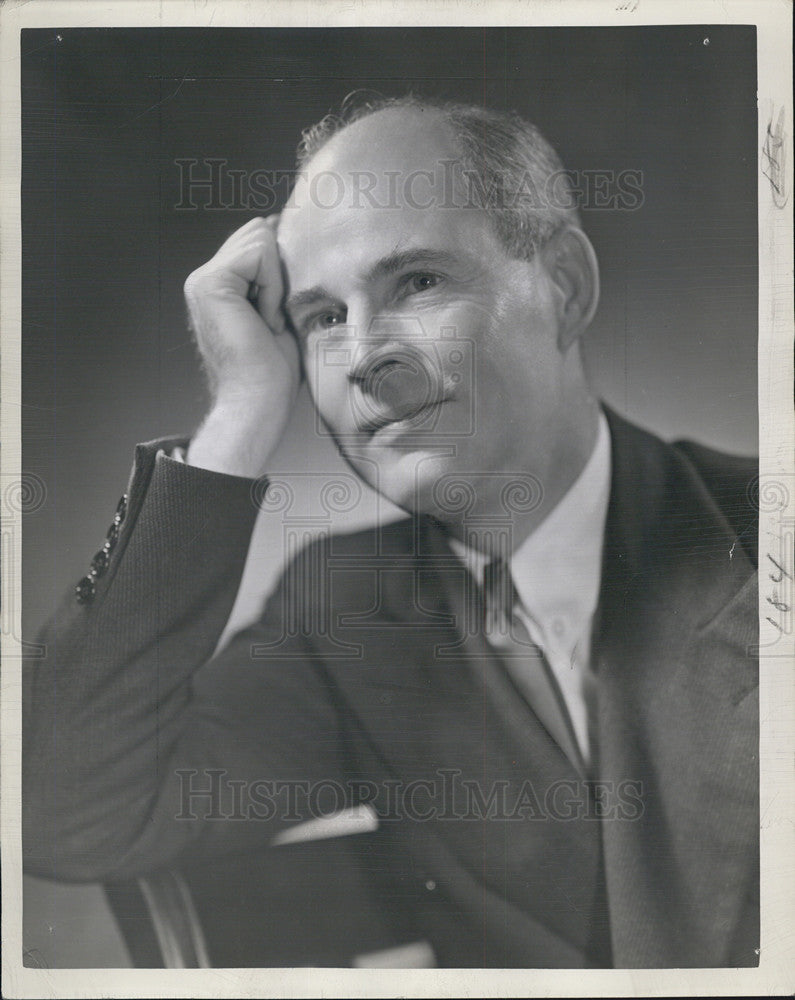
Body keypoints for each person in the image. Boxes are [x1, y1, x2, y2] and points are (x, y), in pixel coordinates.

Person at [22, 96, 759, 968]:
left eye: (417, 282)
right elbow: (61, 809)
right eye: (322, 319)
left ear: (563, 289)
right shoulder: (348, 613)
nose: (366, 353)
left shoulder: (765, 544)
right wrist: (238, 418)